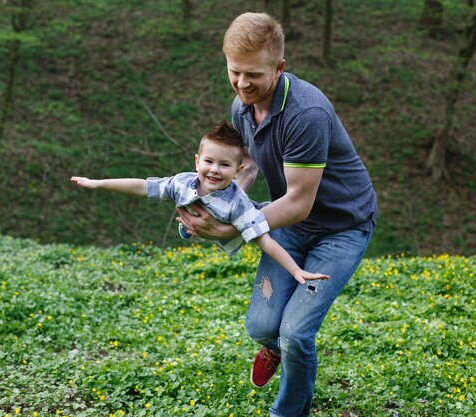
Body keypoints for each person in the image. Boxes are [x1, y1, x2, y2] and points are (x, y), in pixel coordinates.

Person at [176, 12, 378, 417]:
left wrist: (229, 229)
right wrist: (218, 204)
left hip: (340, 229)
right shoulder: (242, 107)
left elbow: (300, 202)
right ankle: (273, 348)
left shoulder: (306, 114)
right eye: (235, 72)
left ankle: (288, 411)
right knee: (263, 328)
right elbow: (247, 164)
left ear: (280, 67)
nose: (242, 84)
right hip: (287, 221)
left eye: (254, 74)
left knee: (295, 333)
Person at [70, 120, 329, 285]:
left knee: (263, 223)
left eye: (224, 165)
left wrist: (296, 272)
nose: (214, 170)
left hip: (253, 216)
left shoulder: (237, 204)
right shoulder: (183, 182)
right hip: (205, 217)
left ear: (238, 170)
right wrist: (98, 182)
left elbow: (264, 241)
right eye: (209, 162)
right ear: (197, 161)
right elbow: (142, 185)